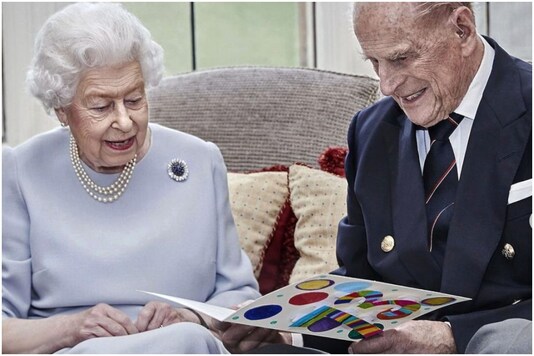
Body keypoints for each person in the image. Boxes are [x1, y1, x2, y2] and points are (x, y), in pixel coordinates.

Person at [212, 2, 531, 353]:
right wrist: (285, 329)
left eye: (400, 58)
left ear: (462, 29)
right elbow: (361, 281)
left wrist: (454, 337)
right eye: (374, 62)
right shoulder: (372, 130)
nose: (387, 85)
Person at [2, 3, 261, 353]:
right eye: (101, 106)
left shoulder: (200, 160)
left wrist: (193, 319)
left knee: (186, 340)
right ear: (62, 109)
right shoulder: (21, 170)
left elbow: (240, 297)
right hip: (74, 351)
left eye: (134, 99)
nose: (124, 121)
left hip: (189, 346)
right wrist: (74, 329)